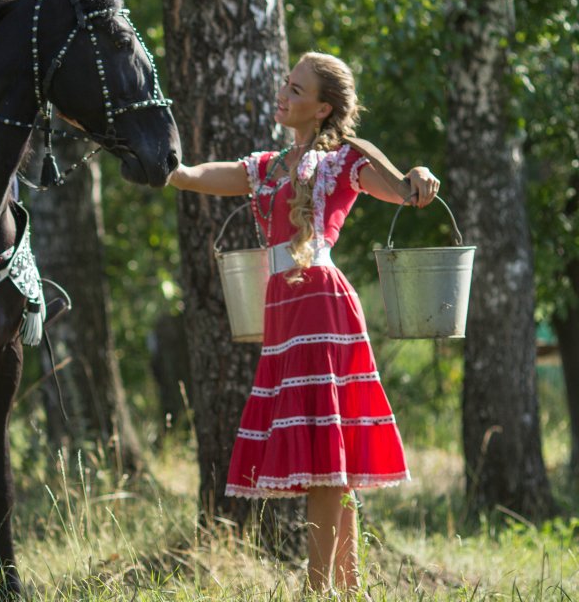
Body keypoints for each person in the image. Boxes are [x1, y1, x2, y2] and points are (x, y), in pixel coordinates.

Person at [167, 52, 440, 594]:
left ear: (322, 109)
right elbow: (198, 176)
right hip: (283, 310)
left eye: (297, 89)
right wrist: (165, 168)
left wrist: (419, 175)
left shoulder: (343, 163)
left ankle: (321, 590)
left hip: (320, 302)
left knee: (324, 458)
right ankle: (347, 586)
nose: (284, 94)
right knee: (324, 453)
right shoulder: (268, 166)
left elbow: (401, 189)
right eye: (287, 84)